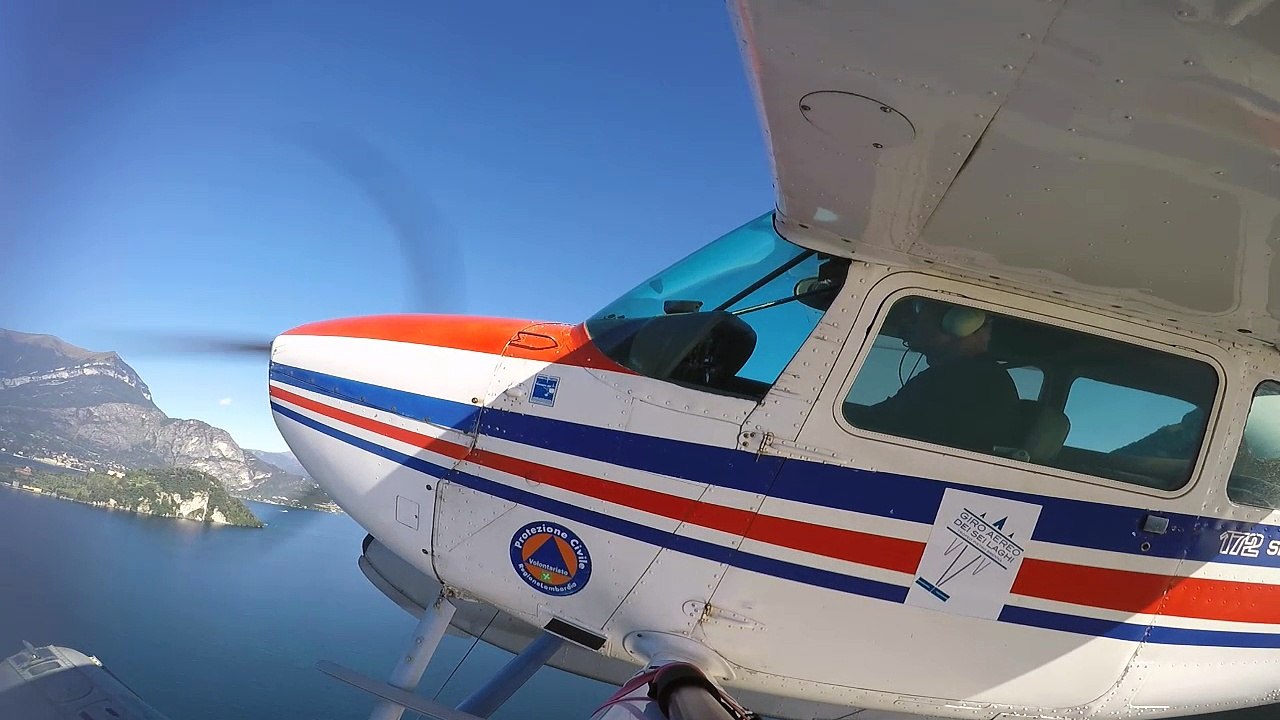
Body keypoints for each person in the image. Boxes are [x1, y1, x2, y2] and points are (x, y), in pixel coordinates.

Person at [844, 299, 1020, 454]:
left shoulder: (966, 381)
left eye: (920, 309)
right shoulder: (966, 375)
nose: (910, 320)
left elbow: (882, 424)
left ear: (956, 322)